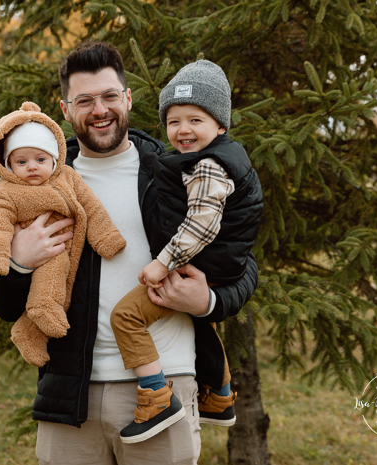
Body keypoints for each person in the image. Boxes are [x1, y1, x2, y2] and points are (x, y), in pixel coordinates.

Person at [0, 41, 259, 465]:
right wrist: (20, 261)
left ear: (128, 99)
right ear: (65, 109)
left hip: (164, 386)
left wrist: (208, 301)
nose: (100, 109)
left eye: (110, 96)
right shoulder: (36, 185)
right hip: (70, 395)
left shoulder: (175, 171)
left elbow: (240, 260)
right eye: (85, 100)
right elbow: (3, 305)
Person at [111, 60, 263, 445]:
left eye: (196, 120)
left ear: (220, 125)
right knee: (201, 323)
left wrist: (162, 264)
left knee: (127, 316)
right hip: (214, 267)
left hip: (201, 266)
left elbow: (202, 225)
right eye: (174, 121)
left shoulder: (210, 165)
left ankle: (156, 396)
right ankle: (222, 395)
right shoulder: (213, 158)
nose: (183, 130)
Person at [0, 102, 126, 367]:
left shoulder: (68, 177)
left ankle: (28, 332)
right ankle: (40, 308)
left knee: (64, 289)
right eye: (21, 161)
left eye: (40, 159)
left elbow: (92, 207)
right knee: (52, 283)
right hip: (40, 254)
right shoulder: (5, 191)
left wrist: (106, 237)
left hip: (68, 246)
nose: (32, 167)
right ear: (7, 164)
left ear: (55, 158)